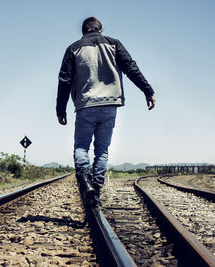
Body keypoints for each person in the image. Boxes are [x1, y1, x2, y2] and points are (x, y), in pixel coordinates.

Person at [56, 17, 155, 206]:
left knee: (81, 147)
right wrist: (147, 90)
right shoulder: (114, 44)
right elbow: (131, 68)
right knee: (102, 150)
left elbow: (65, 80)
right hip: (110, 104)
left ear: (84, 31)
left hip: (85, 105)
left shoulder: (74, 48)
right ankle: (96, 188)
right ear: (100, 30)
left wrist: (60, 110)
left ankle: (85, 183)